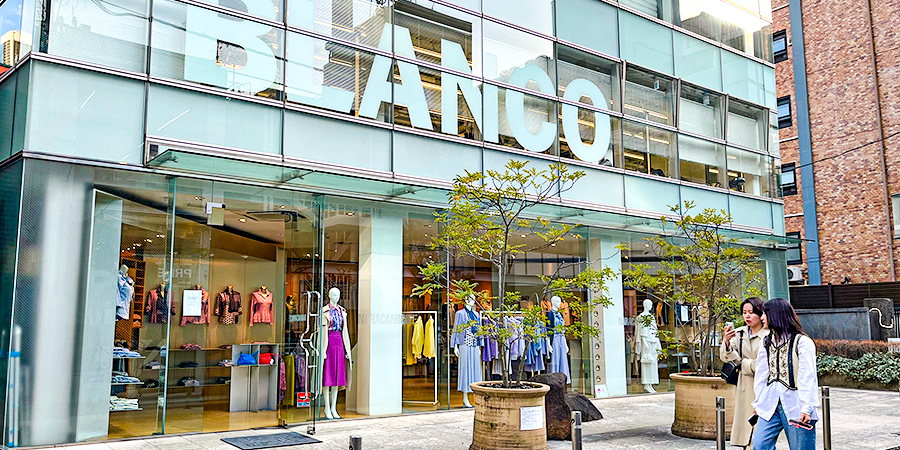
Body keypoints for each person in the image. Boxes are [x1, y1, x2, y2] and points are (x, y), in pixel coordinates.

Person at [751, 298, 819, 450]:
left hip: (797, 404)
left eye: (764, 314)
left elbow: (808, 376)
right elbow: (761, 375)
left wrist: (807, 408)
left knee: (801, 448)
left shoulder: (802, 342)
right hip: (770, 403)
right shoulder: (766, 342)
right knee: (760, 444)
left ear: (775, 315)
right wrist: (758, 402)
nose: (761, 318)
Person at [721, 297, 769, 448]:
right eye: (744, 312)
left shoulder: (769, 335)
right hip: (744, 385)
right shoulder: (739, 333)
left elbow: (765, 364)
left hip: (765, 384)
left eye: (751, 312)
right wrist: (726, 342)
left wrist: (742, 362)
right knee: (745, 422)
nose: (747, 316)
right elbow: (726, 357)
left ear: (760, 313)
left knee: (761, 426)